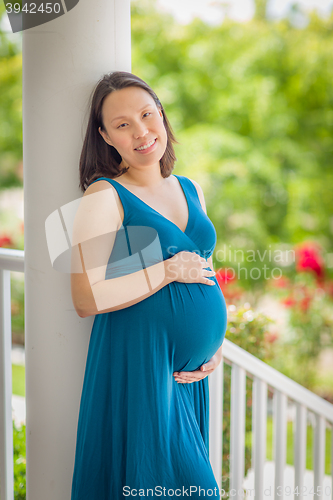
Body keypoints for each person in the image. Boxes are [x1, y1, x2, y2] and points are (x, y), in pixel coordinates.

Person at [70, 71, 228, 499]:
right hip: (140, 363)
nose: (141, 132)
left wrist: (215, 345)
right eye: (123, 124)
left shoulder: (189, 187)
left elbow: (201, 268)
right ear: (105, 136)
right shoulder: (104, 195)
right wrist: (165, 271)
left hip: (185, 377)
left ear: (161, 113)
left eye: (146, 114)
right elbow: (85, 297)